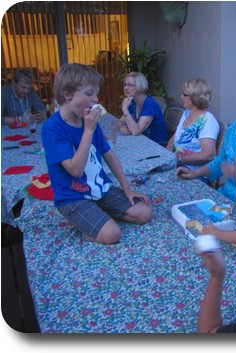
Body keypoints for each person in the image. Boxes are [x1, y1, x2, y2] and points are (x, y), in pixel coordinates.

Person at [41, 64, 153, 245]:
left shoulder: (88, 120)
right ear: (68, 94)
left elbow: (109, 155)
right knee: (112, 234)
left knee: (145, 213)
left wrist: (127, 189)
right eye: (89, 93)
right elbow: (75, 170)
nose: (96, 98)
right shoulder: (52, 128)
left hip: (99, 189)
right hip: (73, 196)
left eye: (96, 93)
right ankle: (81, 221)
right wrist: (88, 130)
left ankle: (96, 215)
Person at [166, 78, 219, 169]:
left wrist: (179, 159)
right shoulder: (187, 112)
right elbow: (178, 133)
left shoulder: (207, 121)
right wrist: (167, 152)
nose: (181, 97)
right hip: (177, 163)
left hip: (194, 170)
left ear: (196, 97)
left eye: (185, 94)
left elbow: (208, 155)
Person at [119, 72, 168, 146]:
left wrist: (125, 109)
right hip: (141, 141)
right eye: (125, 84)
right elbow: (121, 121)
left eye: (130, 85)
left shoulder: (149, 104)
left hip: (157, 145)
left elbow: (136, 131)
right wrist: (122, 128)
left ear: (139, 85)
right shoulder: (132, 101)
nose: (126, 88)